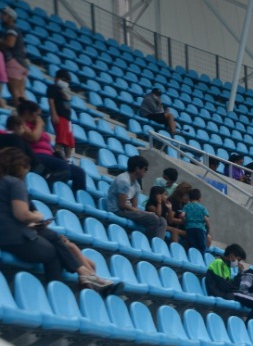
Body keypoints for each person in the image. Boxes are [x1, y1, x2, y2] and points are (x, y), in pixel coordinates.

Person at [0, 147, 116, 291]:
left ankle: (84, 275)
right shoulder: (14, 183)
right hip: (12, 237)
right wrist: (37, 216)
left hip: (9, 233)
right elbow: (21, 214)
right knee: (55, 252)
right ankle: (61, 290)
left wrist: (33, 223)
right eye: (26, 168)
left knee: (53, 237)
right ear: (19, 166)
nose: (27, 173)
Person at [11, 100, 86, 191]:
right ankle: (49, 186)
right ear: (27, 113)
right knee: (62, 166)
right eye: (37, 114)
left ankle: (75, 200)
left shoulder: (34, 124)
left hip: (48, 157)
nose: (39, 117)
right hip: (35, 156)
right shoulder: (20, 122)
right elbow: (33, 137)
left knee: (79, 172)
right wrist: (39, 124)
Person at [106, 156, 166, 238]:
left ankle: (158, 245)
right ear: (137, 168)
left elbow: (134, 206)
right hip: (117, 210)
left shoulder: (136, 185)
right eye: (145, 169)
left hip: (127, 210)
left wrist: (140, 212)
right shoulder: (123, 181)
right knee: (153, 219)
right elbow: (122, 205)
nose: (146, 172)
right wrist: (145, 213)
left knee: (162, 221)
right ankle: (149, 244)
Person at [0, 8, 29, 104]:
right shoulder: (15, 28)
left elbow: (10, 43)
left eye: (4, 15)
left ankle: (22, 114)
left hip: (14, 62)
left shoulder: (11, 28)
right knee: (21, 93)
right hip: (22, 64)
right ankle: (26, 114)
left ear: (11, 18)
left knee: (15, 92)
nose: (2, 16)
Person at [46, 69, 75, 159]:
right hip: (60, 117)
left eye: (67, 81)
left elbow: (68, 100)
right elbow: (51, 101)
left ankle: (68, 159)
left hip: (67, 119)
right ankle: (56, 156)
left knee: (70, 142)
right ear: (57, 78)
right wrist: (54, 114)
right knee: (61, 139)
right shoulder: (53, 87)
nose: (65, 83)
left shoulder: (65, 91)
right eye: (63, 80)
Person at [182, 188, 209, 253]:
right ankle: (201, 258)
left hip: (190, 227)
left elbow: (182, 215)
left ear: (189, 198)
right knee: (202, 246)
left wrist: (186, 221)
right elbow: (206, 219)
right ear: (199, 199)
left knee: (192, 245)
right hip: (200, 228)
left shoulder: (186, 206)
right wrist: (208, 227)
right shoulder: (202, 208)